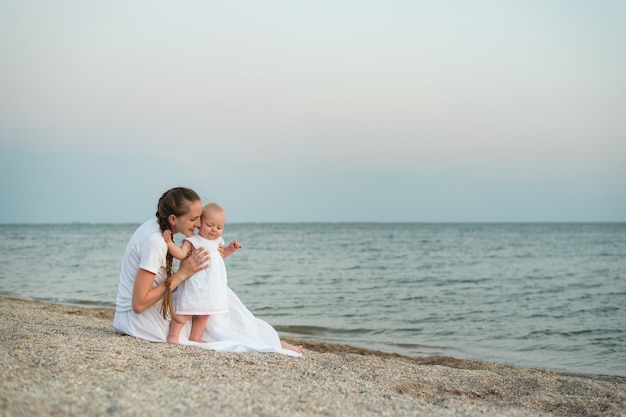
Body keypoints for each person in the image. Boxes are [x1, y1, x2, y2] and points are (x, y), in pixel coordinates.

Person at [113, 187, 302, 356]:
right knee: (206, 307)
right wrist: (183, 274)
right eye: (194, 219)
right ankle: (265, 342)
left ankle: (264, 339)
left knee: (214, 294)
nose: (198, 224)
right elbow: (138, 304)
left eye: (200, 218)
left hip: (142, 310)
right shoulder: (156, 242)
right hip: (136, 319)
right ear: (173, 219)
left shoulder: (154, 225)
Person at [164, 202, 242, 344]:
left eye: (219, 227)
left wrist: (230, 249)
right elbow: (181, 254)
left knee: (205, 313)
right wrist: (169, 243)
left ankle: (195, 337)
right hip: (195, 284)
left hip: (212, 286)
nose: (214, 230)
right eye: (210, 225)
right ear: (200, 222)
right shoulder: (193, 240)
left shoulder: (218, 241)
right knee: (185, 310)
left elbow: (219, 256)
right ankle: (173, 336)